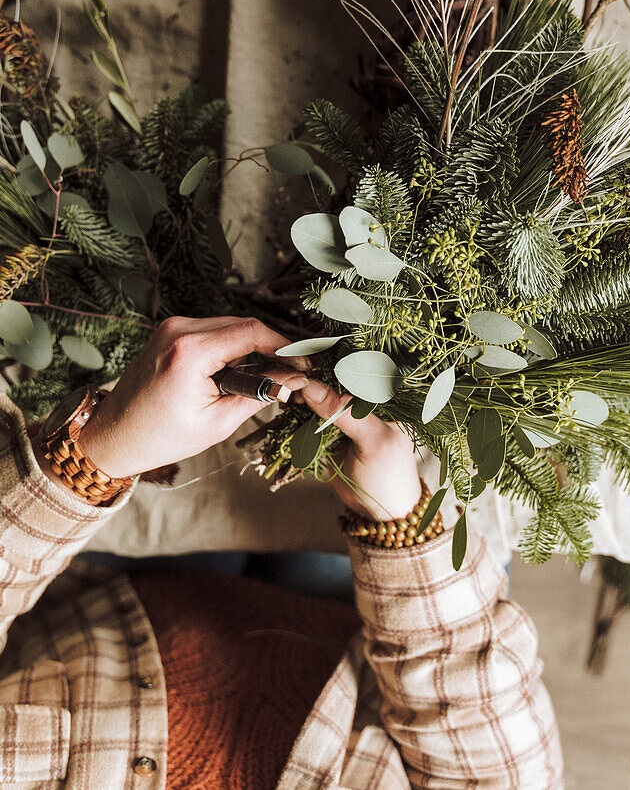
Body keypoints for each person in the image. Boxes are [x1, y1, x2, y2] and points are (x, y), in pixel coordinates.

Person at [0, 316, 563, 789]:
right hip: (369, 625)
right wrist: (401, 524)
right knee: (421, 465)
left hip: (87, 591)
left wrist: (92, 457)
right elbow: (498, 766)